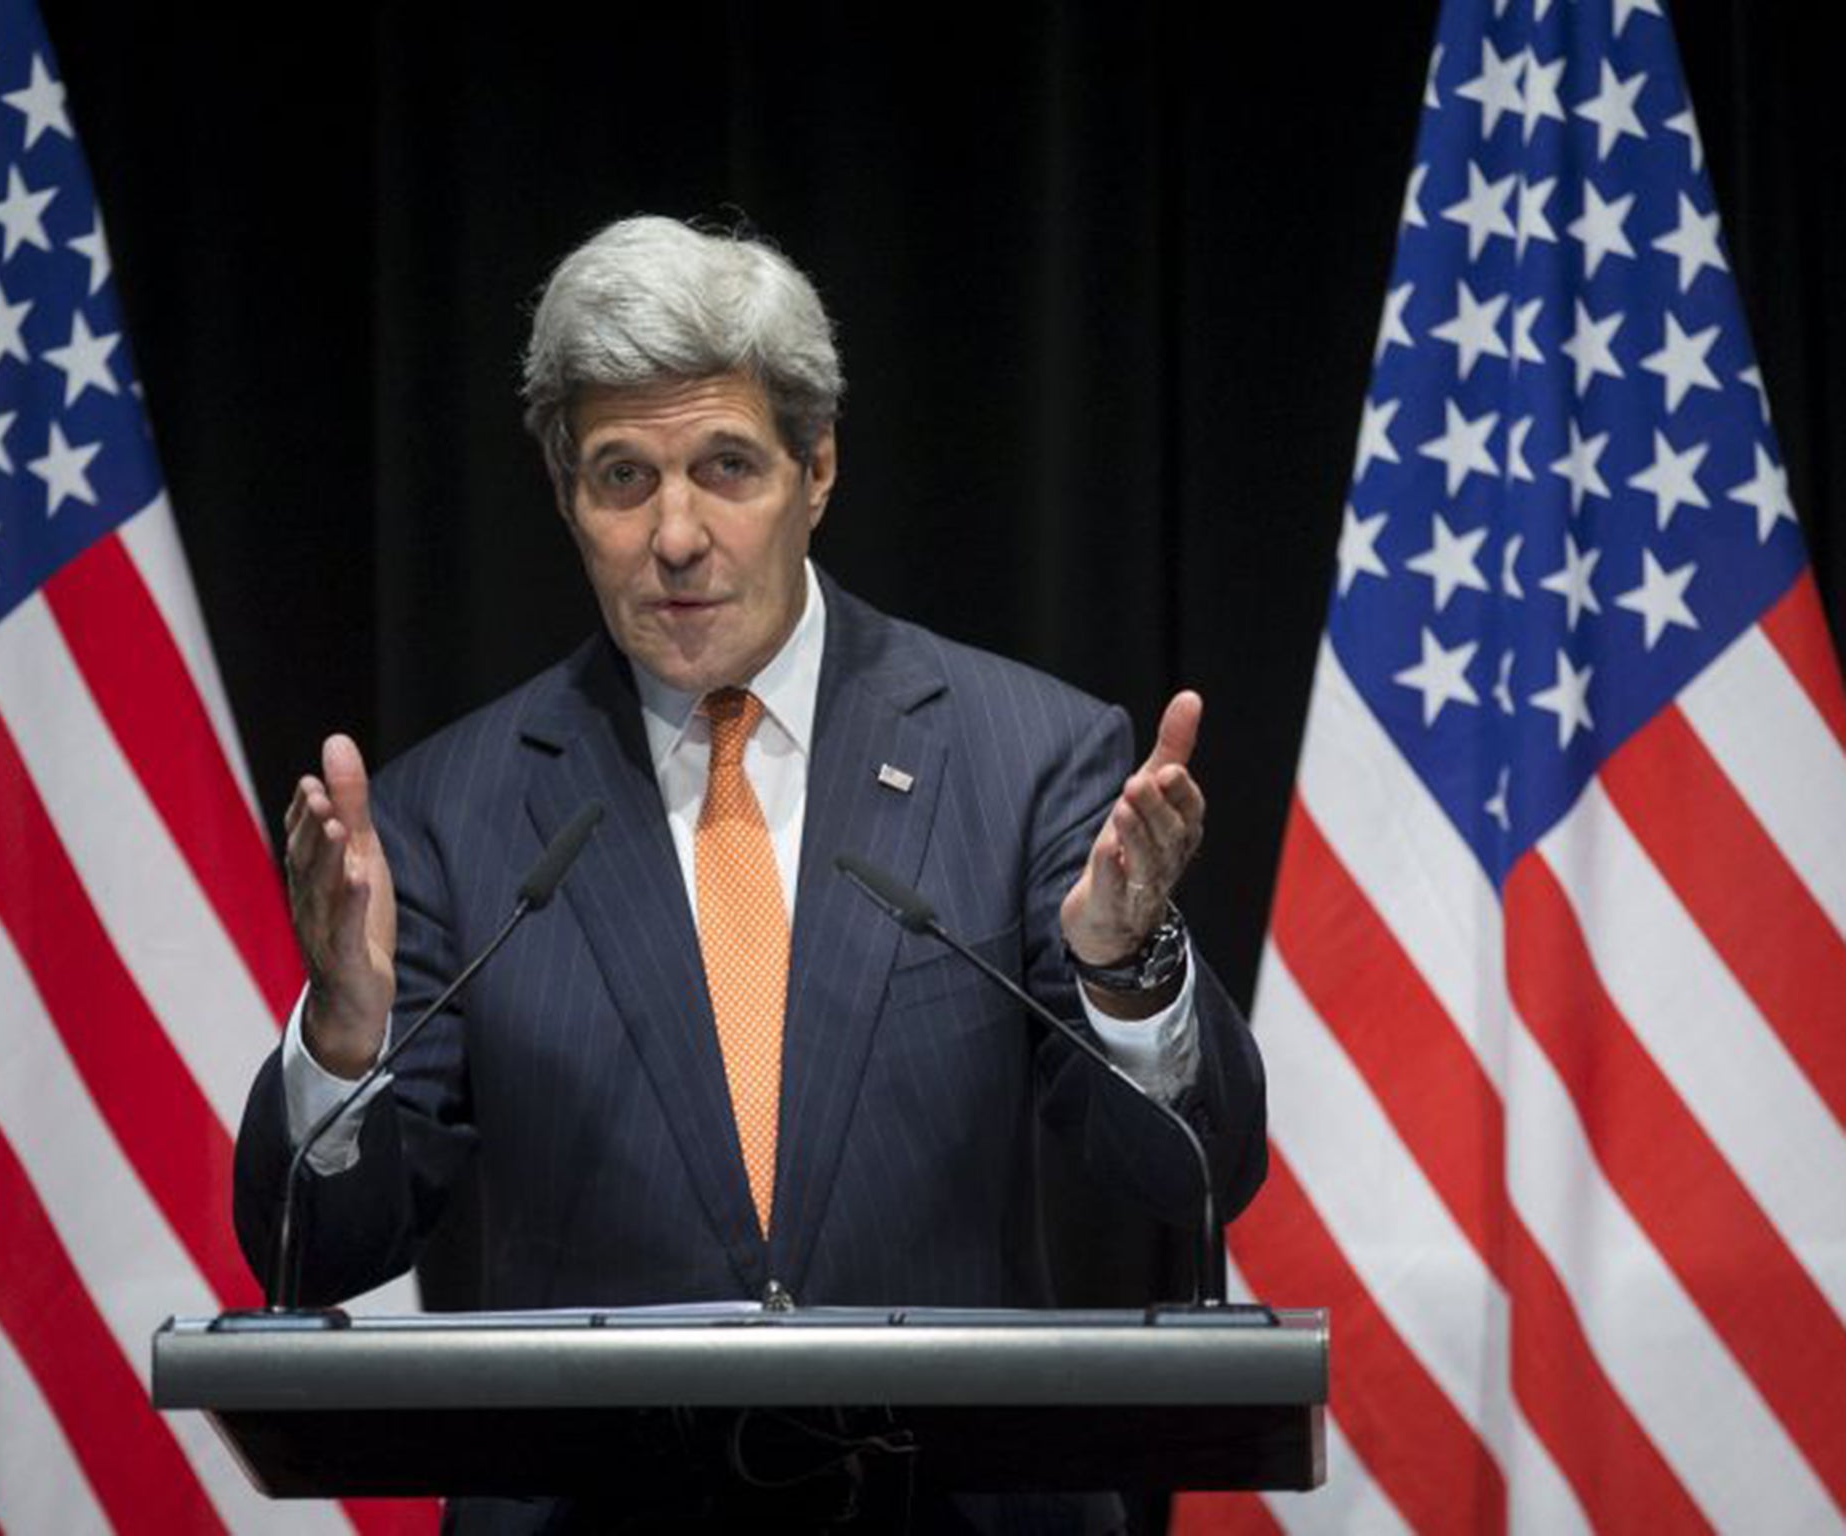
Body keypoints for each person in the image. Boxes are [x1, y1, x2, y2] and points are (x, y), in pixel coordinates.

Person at [233, 215, 1266, 1528]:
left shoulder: (1024, 755)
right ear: (564, 497)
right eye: (622, 478)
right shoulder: (457, 809)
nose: (676, 535)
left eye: (726, 466)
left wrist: (1125, 971)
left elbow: (1193, 1173)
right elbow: (318, 1247)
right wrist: (343, 1029)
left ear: (816, 468)